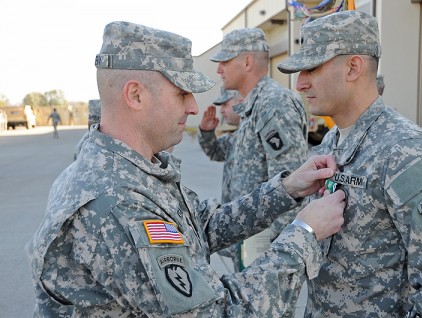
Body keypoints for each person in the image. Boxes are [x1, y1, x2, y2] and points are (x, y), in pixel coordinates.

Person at [26, 21, 346, 317]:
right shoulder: (114, 199)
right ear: (135, 95)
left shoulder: (135, 170)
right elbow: (215, 313)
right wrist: (304, 234)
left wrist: (286, 188)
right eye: (181, 93)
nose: (193, 106)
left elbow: (202, 227)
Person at [277, 10, 422, 317]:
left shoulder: (408, 151)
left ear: (353, 67)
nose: (300, 83)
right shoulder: (332, 142)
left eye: (311, 69)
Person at [210, 28, 309, 267]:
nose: (218, 69)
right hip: (249, 242)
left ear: (246, 62)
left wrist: (271, 251)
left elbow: (293, 185)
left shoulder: (273, 104)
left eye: (225, 61)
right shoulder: (252, 107)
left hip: (264, 250)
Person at [198, 87, 244, 271]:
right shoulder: (236, 137)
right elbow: (215, 152)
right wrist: (206, 132)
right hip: (239, 226)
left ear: (241, 103)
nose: (222, 110)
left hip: (257, 230)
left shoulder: (257, 135)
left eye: (226, 104)